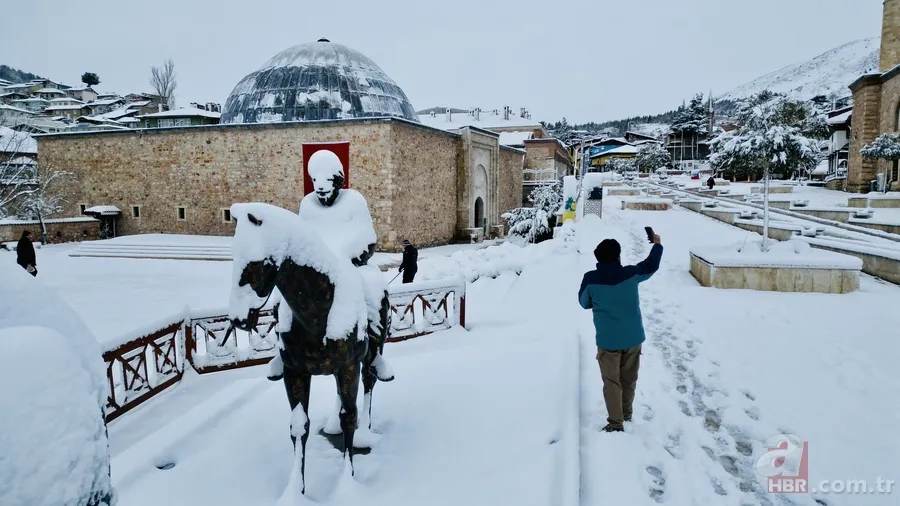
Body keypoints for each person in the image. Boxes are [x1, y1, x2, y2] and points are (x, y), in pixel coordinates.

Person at [578, 233, 663, 432]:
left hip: (608, 342)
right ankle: (626, 414)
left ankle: (616, 424)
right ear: (618, 256)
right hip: (633, 338)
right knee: (628, 379)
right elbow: (651, 265)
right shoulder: (631, 274)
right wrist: (657, 245)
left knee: (611, 382)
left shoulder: (590, 279)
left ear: (598, 258)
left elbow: (584, 303)